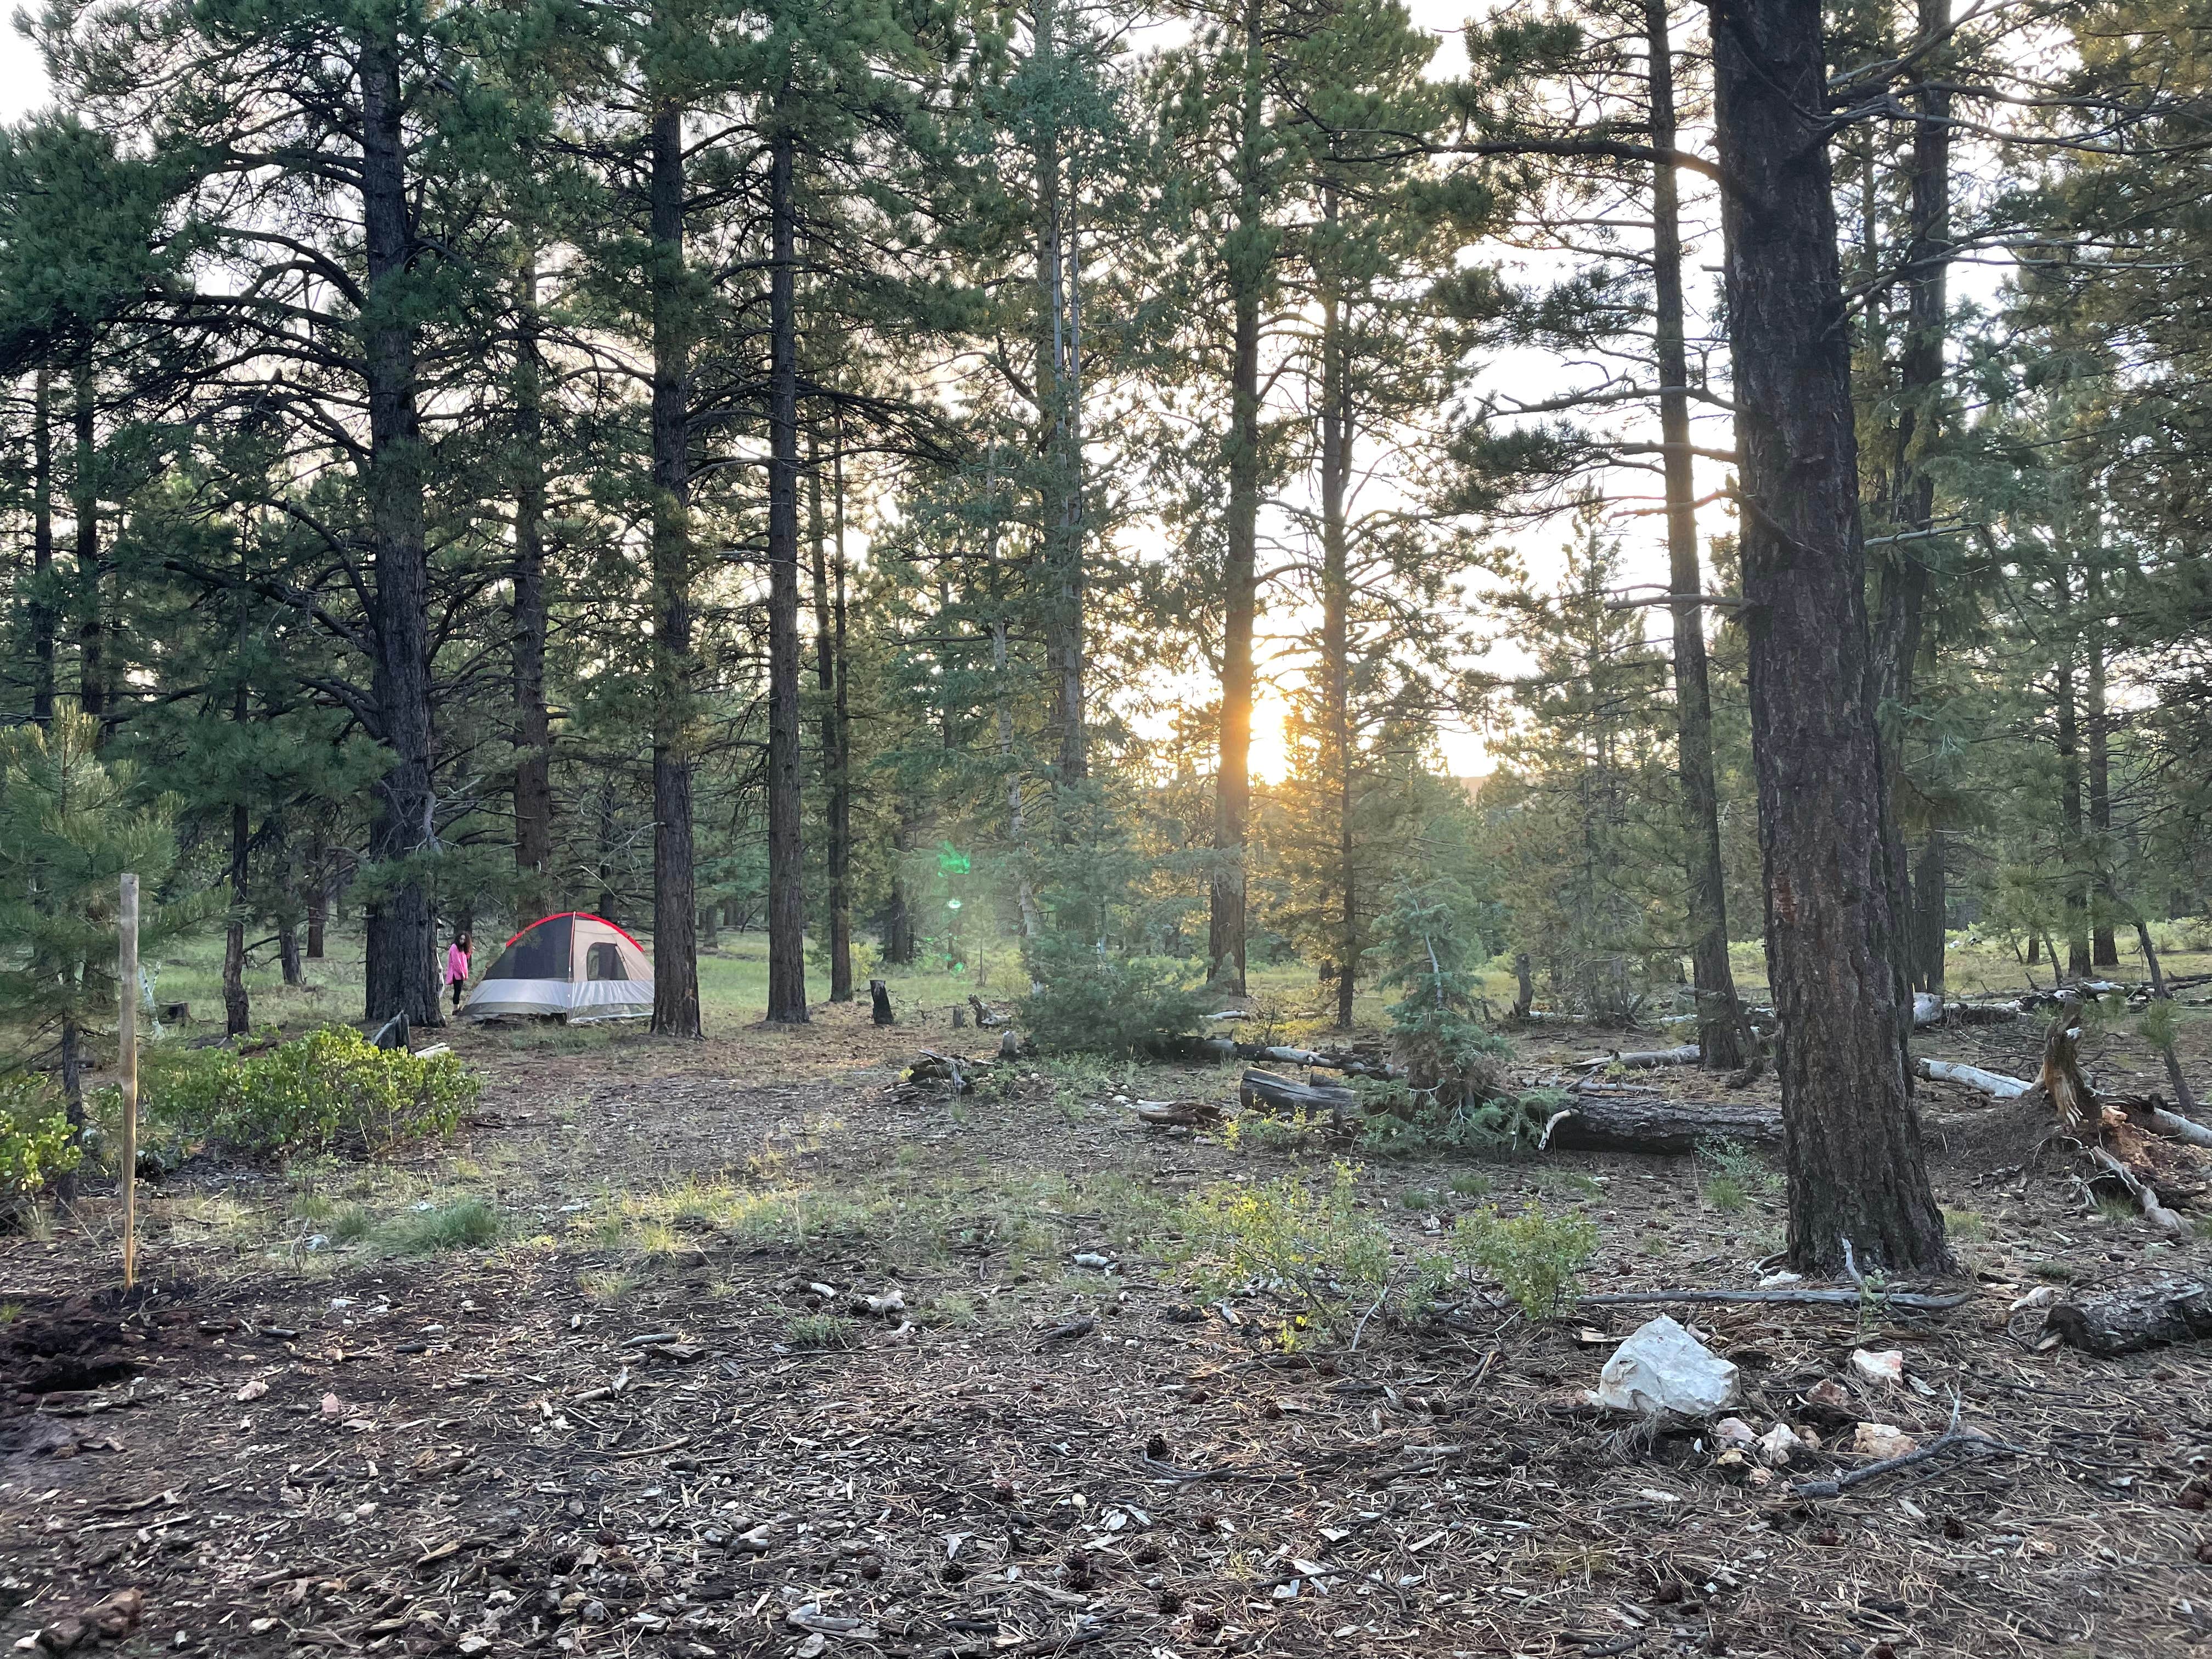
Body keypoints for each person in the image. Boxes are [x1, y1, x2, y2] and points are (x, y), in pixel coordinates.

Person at [446, 932, 472, 1013]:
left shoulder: (462, 948)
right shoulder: (454, 947)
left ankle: (456, 1009)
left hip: (460, 974)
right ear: (458, 938)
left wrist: (470, 952)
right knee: (457, 991)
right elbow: (456, 962)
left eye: (464, 940)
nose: (462, 941)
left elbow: (465, 959)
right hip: (456, 973)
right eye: (461, 939)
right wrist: (461, 972)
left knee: (459, 991)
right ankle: (455, 1009)